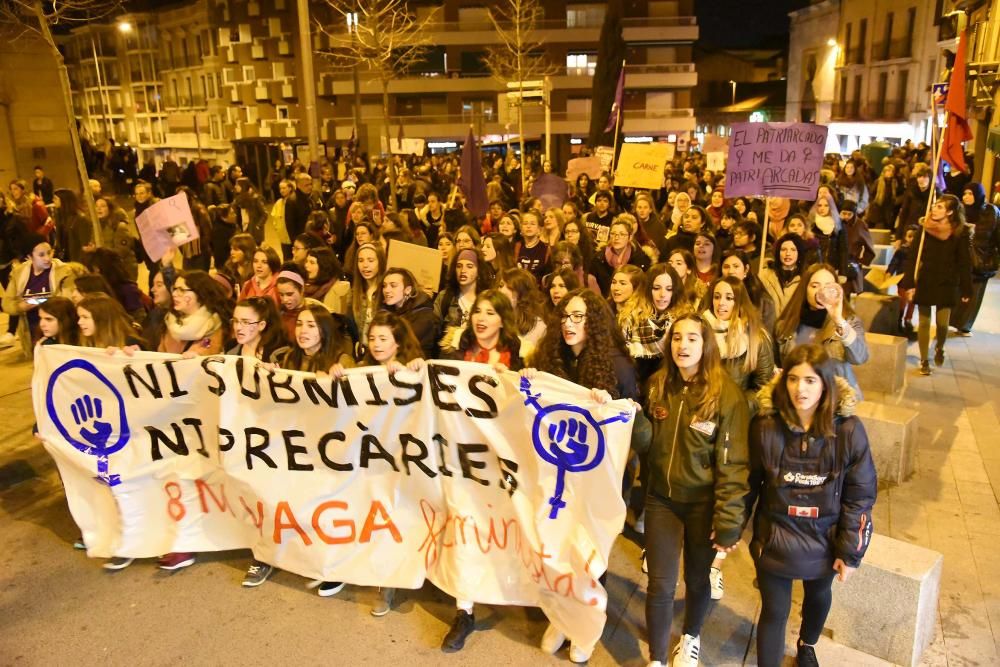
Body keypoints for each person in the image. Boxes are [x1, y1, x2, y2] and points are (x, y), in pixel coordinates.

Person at [748, 344, 877, 667]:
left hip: (824, 537)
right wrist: (728, 530)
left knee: (817, 597)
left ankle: (807, 644)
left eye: (810, 380)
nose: (800, 389)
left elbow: (859, 496)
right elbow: (746, 483)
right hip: (776, 534)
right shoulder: (765, 426)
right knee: (774, 611)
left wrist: (850, 552)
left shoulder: (848, 430)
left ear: (825, 384)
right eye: (792, 379)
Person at [643, 314, 750, 667]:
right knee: (660, 584)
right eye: (676, 338)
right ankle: (657, 657)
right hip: (662, 499)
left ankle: (690, 636)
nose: (682, 345)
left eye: (691, 338)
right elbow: (648, 441)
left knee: (697, 578)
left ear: (705, 345)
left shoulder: (727, 396)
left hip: (703, 504)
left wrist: (729, 519)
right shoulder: (659, 384)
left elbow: (734, 465)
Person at [900, 194, 973, 375]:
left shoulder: (959, 232)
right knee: (924, 322)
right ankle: (924, 360)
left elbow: (964, 262)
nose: (934, 209)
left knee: (942, 324)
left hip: (947, 281)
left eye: (940, 207)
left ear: (949, 212)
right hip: (926, 279)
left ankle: (940, 346)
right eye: (935, 205)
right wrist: (909, 280)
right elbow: (913, 257)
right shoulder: (924, 229)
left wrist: (966, 288)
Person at [775, 263, 869, 398]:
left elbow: (860, 357)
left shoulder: (847, 321)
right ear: (805, 289)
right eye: (814, 285)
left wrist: (838, 320)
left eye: (828, 286)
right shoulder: (785, 325)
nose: (821, 291)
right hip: (799, 397)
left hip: (835, 399)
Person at [2, 236, 66, 355]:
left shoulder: (63, 271)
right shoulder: (19, 274)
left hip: (59, 333)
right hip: (32, 332)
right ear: (29, 257)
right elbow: (7, 303)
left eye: (49, 252)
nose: (47, 258)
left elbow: (68, 301)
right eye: (41, 255)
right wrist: (20, 307)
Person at [952, 183, 1000, 335]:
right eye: (965, 193)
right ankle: (954, 321)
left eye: (970, 194)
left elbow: (996, 235)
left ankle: (965, 325)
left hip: (981, 260)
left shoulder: (991, 212)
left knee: (974, 294)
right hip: (961, 259)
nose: (966, 197)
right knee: (958, 292)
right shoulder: (959, 211)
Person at [158, 270, 230, 361]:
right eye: (174, 289)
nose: (174, 294)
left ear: (199, 293)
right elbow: (159, 357)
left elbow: (208, 348)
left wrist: (197, 355)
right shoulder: (170, 321)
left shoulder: (212, 324)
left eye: (181, 290)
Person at [447, 289, 523, 371]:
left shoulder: (512, 353)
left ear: (503, 322)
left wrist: (510, 376)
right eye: (477, 311)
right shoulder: (462, 344)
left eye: (490, 313)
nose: (480, 318)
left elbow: (521, 382)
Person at [434, 248, 489, 355]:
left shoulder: (486, 299)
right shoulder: (445, 297)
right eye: (459, 266)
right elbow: (434, 330)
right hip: (447, 357)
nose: (463, 270)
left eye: (469, 266)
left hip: (476, 358)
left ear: (478, 271)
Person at [378, 267, 440, 359]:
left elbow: (402, 343)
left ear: (408, 290)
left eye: (393, 285)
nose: (387, 290)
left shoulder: (424, 315)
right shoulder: (384, 311)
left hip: (414, 367)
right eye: (384, 285)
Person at [497, 267, 547, 362]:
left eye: (510, 287)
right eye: (501, 285)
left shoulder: (539, 328)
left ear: (522, 293)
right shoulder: (492, 318)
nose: (502, 291)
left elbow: (539, 367)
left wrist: (524, 374)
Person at [591, 217, 651, 296]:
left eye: (622, 234)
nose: (616, 237)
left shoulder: (640, 259)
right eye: (613, 234)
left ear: (630, 237)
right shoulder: (598, 258)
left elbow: (643, 287)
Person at [758, 233, 805, 318]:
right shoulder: (764, 275)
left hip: (793, 328)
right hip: (768, 326)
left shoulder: (805, 278)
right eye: (783, 249)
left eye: (793, 250)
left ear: (799, 252)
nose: (788, 253)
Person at [349, 242, 385, 353]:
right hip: (362, 351)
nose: (365, 265)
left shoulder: (386, 291)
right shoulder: (354, 293)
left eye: (370, 260)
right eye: (361, 261)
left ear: (380, 262)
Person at [95, 196, 138, 281]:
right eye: (97, 206)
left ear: (110, 209)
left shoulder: (119, 226)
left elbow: (121, 251)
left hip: (122, 270)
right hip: (108, 270)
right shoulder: (96, 227)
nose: (99, 209)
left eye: (103, 206)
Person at [51, 188, 93, 262]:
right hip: (63, 258)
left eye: (55, 198)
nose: (53, 200)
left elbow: (85, 244)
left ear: (64, 200)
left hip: (76, 259)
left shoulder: (80, 219)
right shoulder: (60, 216)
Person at [515, 209, 549, 281]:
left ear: (539, 229)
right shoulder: (516, 247)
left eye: (532, 224)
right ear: (521, 228)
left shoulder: (546, 249)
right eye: (525, 223)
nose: (528, 226)